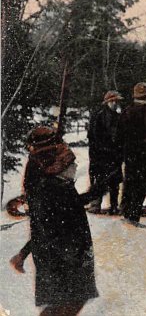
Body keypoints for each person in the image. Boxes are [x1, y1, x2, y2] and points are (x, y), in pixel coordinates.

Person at [9, 125, 102, 316]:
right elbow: (48, 228)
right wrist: (24, 253)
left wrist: (99, 190)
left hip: (68, 254)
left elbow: (73, 205)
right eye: (71, 164)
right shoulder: (51, 190)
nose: (75, 167)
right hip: (62, 257)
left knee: (70, 302)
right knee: (67, 304)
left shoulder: (60, 185)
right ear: (57, 167)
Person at [117, 82, 146, 228]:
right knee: (142, 186)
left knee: (129, 184)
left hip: (129, 155)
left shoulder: (126, 111)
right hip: (144, 156)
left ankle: (126, 213)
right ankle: (134, 216)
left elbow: (118, 135)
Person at [86, 90, 123, 214]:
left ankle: (113, 205)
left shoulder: (118, 117)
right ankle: (95, 205)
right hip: (100, 155)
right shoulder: (98, 116)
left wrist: (118, 150)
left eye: (116, 101)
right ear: (107, 102)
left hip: (113, 155)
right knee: (99, 180)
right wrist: (102, 149)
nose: (115, 103)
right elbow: (93, 136)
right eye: (113, 101)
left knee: (114, 182)